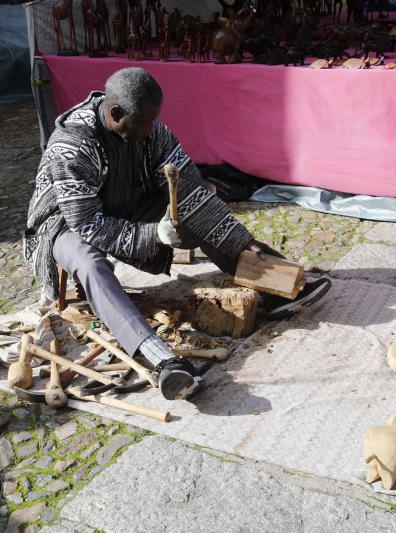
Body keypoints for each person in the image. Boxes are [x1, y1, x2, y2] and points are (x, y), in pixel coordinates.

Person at [24, 67, 331, 401]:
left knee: (193, 204)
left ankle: (277, 282)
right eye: (143, 123)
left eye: (152, 122)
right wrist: (153, 233)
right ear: (115, 114)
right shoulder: (72, 146)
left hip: (125, 202)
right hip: (65, 222)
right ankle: (162, 361)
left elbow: (187, 181)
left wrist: (234, 235)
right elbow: (87, 224)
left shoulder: (149, 129)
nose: (150, 130)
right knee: (89, 262)